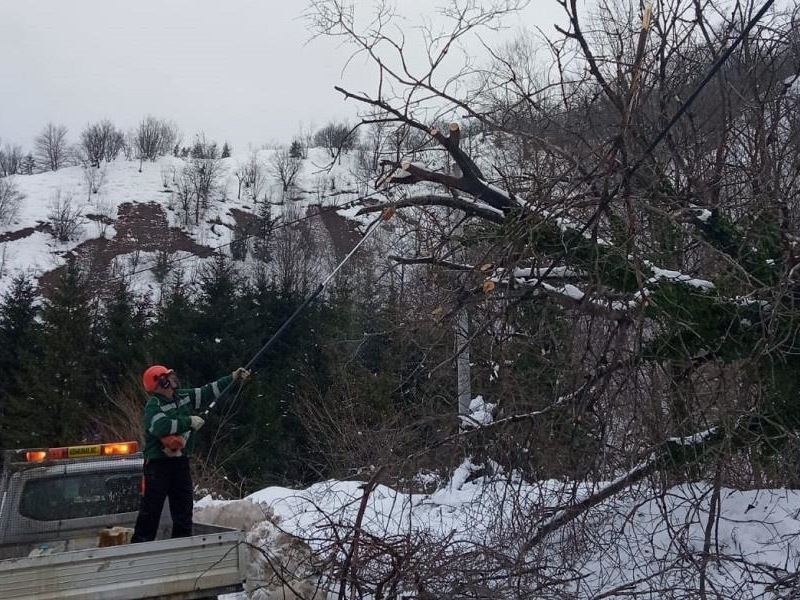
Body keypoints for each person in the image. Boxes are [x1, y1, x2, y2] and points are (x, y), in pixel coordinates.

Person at [131, 364, 250, 543]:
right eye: (168, 376)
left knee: (183, 507)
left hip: (179, 462)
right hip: (157, 465)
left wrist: (232, 378)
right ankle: (140, 545)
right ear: (161, 382)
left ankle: (182, 545)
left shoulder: (183, 396)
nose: (173, 379)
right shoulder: (153, 405)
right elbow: (159, 426)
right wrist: (189, 421)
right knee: (151, 508)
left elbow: (208, 391)